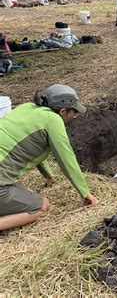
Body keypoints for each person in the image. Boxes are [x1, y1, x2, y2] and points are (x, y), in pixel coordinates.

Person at [0, 84, 99, 231]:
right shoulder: (53, 119)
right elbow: (66, 158)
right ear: (63, 111)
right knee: (41, 206)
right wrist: (85, 193)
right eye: (74, 112)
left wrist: (48, 176)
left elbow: (31, 147)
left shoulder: (26, 108)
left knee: (26, 194)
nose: (74, 116)